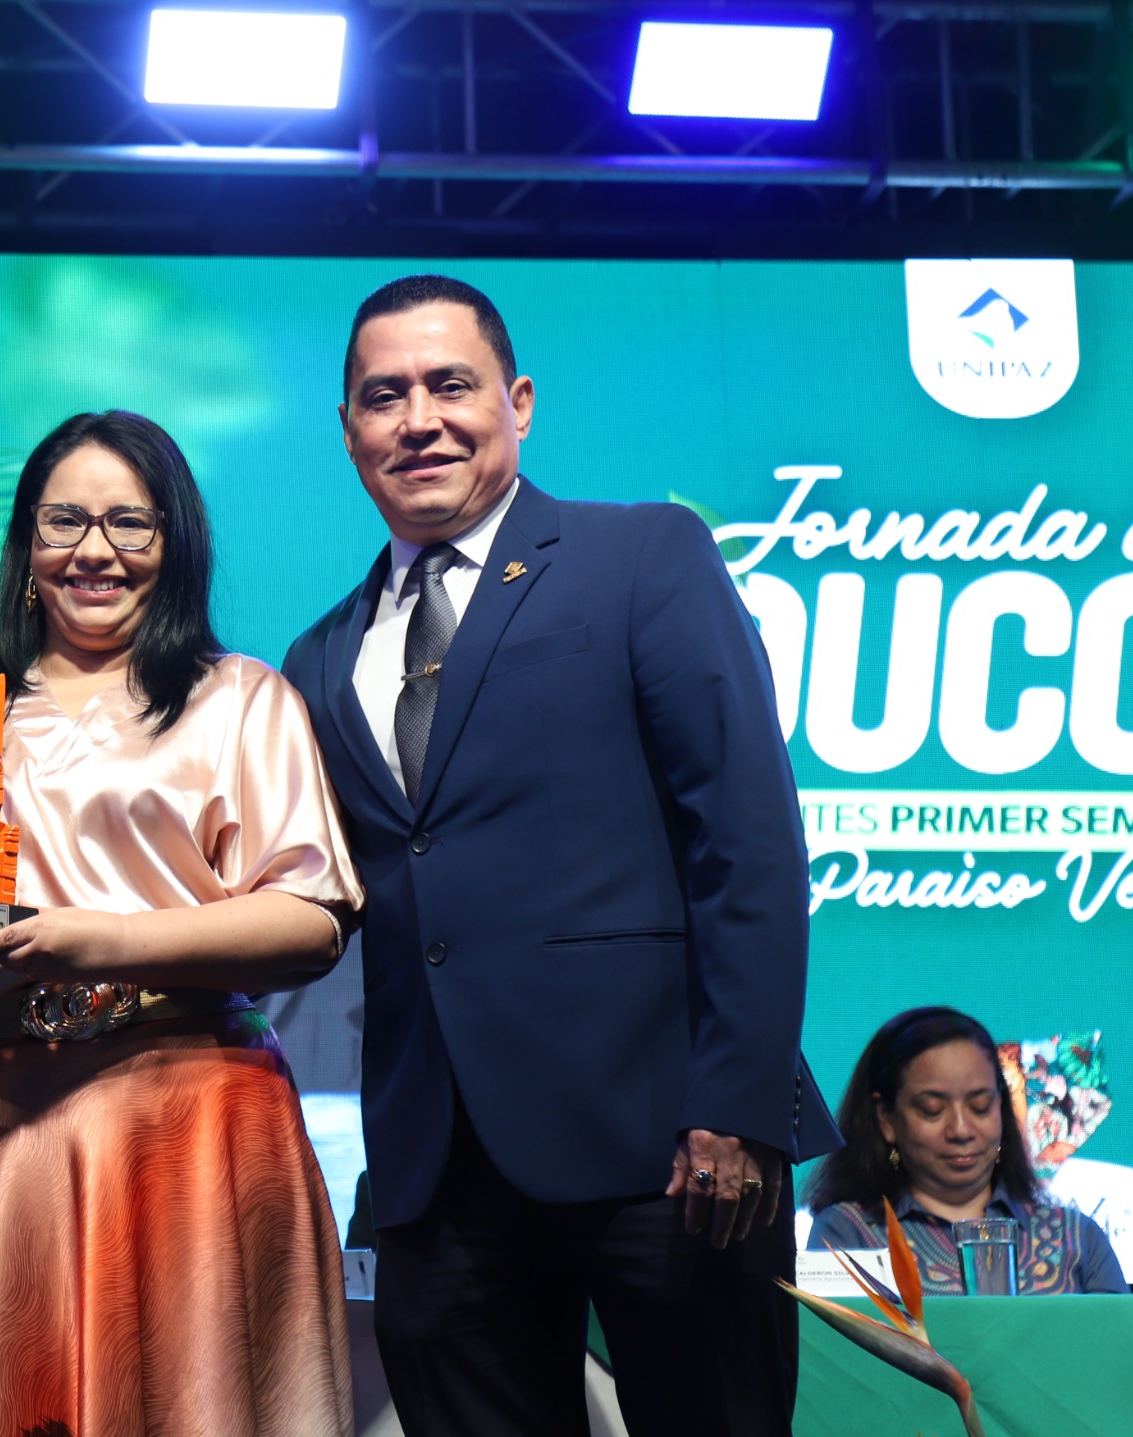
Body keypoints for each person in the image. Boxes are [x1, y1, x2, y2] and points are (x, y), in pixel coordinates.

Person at [280, 274, 843, 1437]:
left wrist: (737, 1105)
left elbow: (745, 839)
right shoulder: (318, 655)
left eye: (450, 385)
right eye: (384, 396)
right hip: (438, 1178)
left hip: (668, 1149)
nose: (419, 420)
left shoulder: (641, 556)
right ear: (346, 430)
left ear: (519, 402)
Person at [0, 410, 362, 1437]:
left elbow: (309, 922)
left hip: (191, 1118)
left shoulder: (239, 699)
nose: (95, 550)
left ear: (175, 541)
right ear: (25, 542)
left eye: (130, 522)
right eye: (64, 520)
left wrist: (98, 940)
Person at [805, 1006, 1129, 1295]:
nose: (961, 1130)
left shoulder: (1077, 1238)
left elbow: (1123, 1343)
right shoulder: (847, 1233)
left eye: (980, 1106)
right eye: (932, 1110)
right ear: (886, 1118)